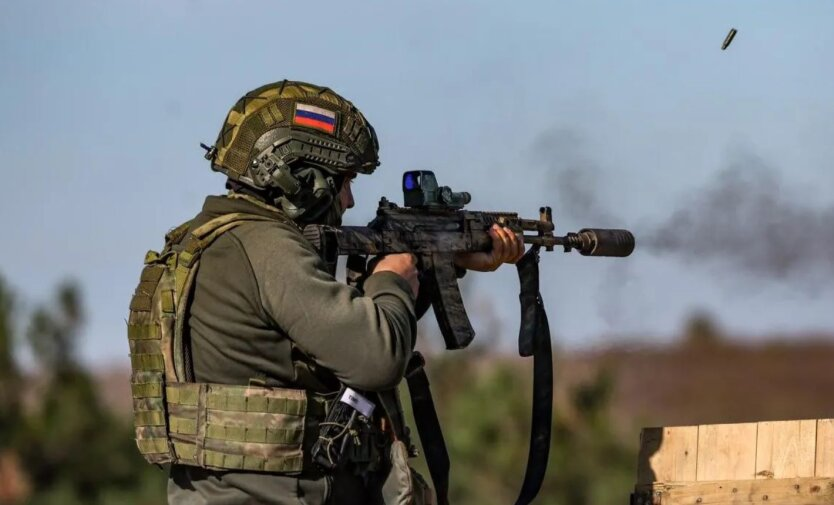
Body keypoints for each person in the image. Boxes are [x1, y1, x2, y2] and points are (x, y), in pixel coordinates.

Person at [131, 80, 523, 505]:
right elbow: (376, 359)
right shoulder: (265, 247)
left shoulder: (210, 242)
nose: (350, 200)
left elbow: (331, 344)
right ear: (301, 178)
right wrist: (391, 277)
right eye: (345, 181)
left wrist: (428, 269)